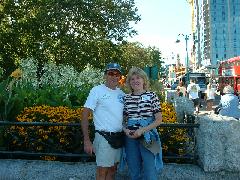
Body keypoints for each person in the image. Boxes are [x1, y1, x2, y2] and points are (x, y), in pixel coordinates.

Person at [81, 63, 125, 180]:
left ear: (120, 77)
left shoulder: (121, 94)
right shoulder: (97, 90)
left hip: (119, 138)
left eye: (117, 74)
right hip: (104, 138)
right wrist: (86, 140)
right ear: (105, 75)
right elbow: (85, 114)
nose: (114, 77)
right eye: (111, 73)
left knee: (112, 170)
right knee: (102, 172)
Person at [122, 67, 163, 180]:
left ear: (144, 80)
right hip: (130, 136)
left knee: (150, 168)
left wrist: (142, 130)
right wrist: (125, 131)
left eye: (138, 78)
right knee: (133, 168)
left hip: (148, 136)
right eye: (132, 79)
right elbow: (123, 120)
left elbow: (159, 119)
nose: (135, 81)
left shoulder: (152, 96)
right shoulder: (126, 98)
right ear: (129, 82)